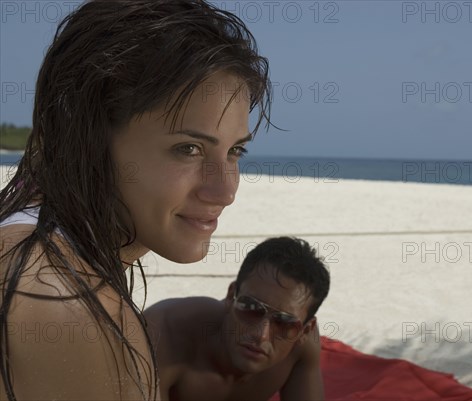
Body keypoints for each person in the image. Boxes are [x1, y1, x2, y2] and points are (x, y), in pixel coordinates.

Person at [0, 1, 272, 400]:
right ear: (90, 137)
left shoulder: (27, 227)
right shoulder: (71, 307)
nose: (225, 192)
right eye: (189, 149)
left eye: (235, 152)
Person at [144, 237, 331, 401]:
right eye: (251, 308)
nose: (261, 334)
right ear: (230, 295)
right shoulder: (163, 332)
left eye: (283, 322)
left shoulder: (301, 349)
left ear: (305, 331)